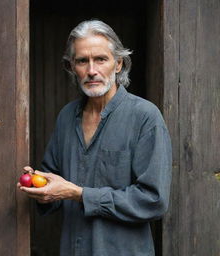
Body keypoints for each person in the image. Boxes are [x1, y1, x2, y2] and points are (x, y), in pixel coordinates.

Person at [18, 19, 172, 256]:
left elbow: (153, 200)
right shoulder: (67, 117)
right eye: (82, 61)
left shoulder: (144, 117)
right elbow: (55, 185)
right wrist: (40, 187)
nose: (91, 70)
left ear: (118, 64)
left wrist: (78, 194)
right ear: (72, 68)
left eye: (101, 59)